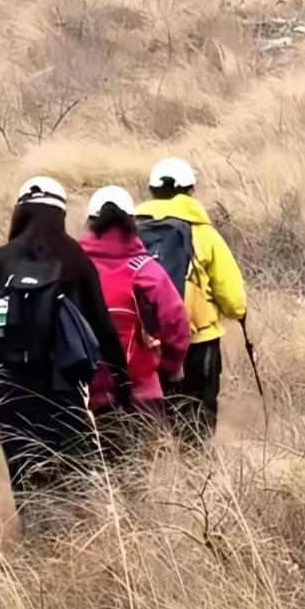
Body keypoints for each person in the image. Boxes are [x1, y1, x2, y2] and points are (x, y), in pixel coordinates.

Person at [0, 176, 130, 521]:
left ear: (20, 212)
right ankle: (69, 546)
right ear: (61, 214)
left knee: (25, 482)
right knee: (71, 483)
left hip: (7, 392)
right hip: (62, 390)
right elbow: (104, 329)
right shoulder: (76, 259)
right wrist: (123, 388)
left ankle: (34, 544)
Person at [136, 157, 247, 445]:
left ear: (152, 191)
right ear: (191, 191)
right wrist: (235, 312)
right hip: (199, 342)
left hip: (147, 342)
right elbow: (234, 300)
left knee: (153, 421)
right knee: (197, 420)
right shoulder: (205, 234)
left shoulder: (132, 233)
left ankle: (155, 466)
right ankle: (195, 470)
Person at [79, 185, 190, 457]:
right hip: (142, 391)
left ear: (90, 223)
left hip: (87, 397)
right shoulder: (146, 269)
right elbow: (176, 324)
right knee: (146, 471)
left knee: (93, 474)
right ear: (132, 223)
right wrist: (169, 365)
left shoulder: (73, 267)